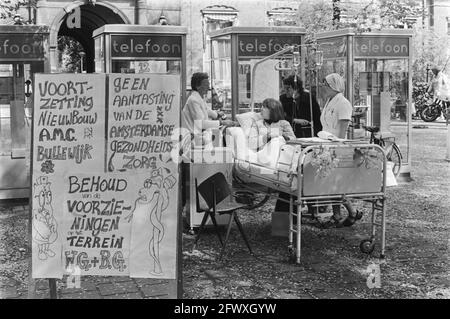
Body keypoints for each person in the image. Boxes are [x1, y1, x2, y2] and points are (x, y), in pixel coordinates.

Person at [318, 73, 362, 228]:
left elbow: (342, 131)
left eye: (325, 84)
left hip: (336, 147)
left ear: (332, 86)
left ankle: (352, 211)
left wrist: (337, 148)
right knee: (331, 182)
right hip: (326, 145)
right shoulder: (329, 102)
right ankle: (338, 214)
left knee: (336, 182)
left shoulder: (343, 103)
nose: (322, 87)